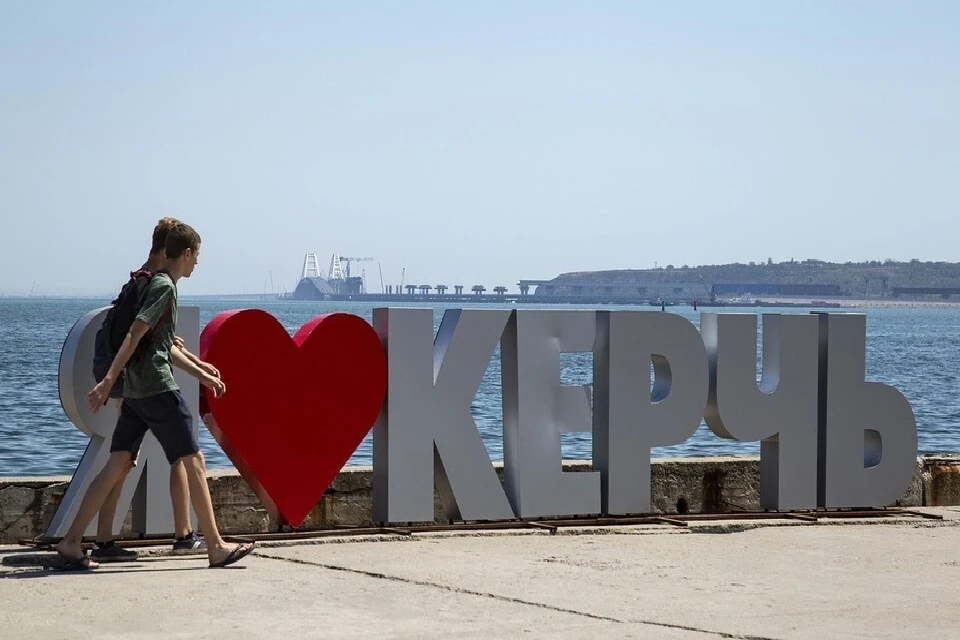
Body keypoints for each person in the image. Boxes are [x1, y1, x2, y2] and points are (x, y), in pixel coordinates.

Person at [56, 222, 256, 570]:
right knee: (194, 460)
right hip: (157, 388)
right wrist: (106, 381)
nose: (197, 265)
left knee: (117, 463)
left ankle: (71, 541)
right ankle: (216, 546)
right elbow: (135, 335)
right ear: (187, 253)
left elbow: (157, 345)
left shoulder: (151, 283)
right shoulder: (164, 286)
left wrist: (202, 373)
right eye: (197, 257)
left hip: (135, 391)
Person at [90, 217, 206, 562]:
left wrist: (197, 366)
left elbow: (155, 338)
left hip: (126, 376)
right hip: (137, 379)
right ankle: (112, 539)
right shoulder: (156, 282)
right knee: (135, 460)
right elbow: (141, 338)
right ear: (170, 248)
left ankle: (108, 539)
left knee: (126, 460)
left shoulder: (139, 280)